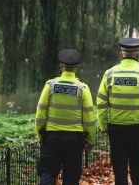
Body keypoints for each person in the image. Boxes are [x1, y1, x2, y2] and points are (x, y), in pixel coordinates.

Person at [96, 38, 139, 185]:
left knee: (119, 173)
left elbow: (101, 103)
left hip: (116, 130)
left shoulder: (109, 74)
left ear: (121, 54)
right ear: (137, 54)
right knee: (138, 172)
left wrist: (104, 126)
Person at [35, 49, 96, 185]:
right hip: (74, 140)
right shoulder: (83, 88)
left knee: (48, 172)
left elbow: (40, 114)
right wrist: (91, 140)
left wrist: (40, 135)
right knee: (71, 175)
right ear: (77, 68)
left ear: (61, 66)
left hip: (52, 137)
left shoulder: (50, 85)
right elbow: (89, 118)